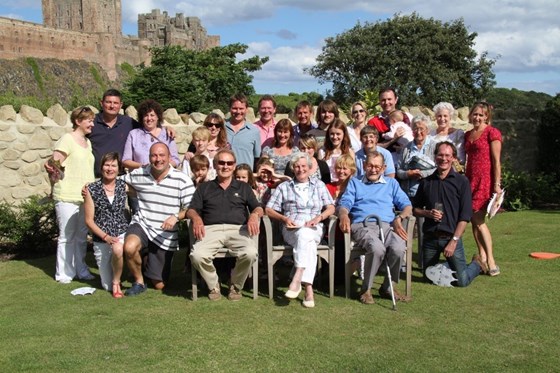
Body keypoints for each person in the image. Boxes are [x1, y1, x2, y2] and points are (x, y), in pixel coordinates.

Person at [187, 149, 263, 301]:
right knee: (197, 255)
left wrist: (254, 215)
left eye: (229, 163)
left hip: (238, 230)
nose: (225, 166)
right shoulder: (204, 187)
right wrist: (196, 218)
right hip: (211, 230)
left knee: (250, 253)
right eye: (221, 163)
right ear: (215, 165)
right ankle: (214, 284)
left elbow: (258, 207)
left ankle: (235, 284)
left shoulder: (244, 187)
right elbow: (191, 210)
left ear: (234, 166)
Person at [338, 151, 412, 304]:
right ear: (364, 166)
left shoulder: (391, 184)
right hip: (363, 225)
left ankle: (387, 287)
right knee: (377, 248)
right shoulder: (355, 182)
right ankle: (366, 289)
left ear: (384, 168)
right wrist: (344, 215)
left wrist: (400, 217)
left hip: (387, 226)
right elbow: (345, 204)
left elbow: (407, 206)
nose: (373, 169)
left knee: (399, 247)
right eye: (370, 166)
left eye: (377, 166)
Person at [122, 143, 195, 296]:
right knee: (129, 247)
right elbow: (116, 182)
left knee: (159, 285)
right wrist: (90, 187)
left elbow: (191, 208)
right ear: (149, 158)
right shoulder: (139, 173)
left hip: (164, 233)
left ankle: (146, 259)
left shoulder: (182, 179)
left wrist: (176, 217)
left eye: (162, 155)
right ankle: (139, 281)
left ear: (169, 158)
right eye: (154, 155)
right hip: (142, 224)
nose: (158, 159)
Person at [266, 152, 335, 308]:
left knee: (306, 235)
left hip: (314, 226)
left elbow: (331, 207)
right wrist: (284, 219)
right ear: (293, 168)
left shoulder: (318, 184)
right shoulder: (284, 186)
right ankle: (308, 290)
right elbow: (269, 209)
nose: (300, 169)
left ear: (310, 168)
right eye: (297, 166)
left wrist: (319, 218)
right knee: (306, 239)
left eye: (304, 166)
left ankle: (297, 277)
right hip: (291, 229)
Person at [412, 141, 485, 286]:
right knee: (428, 278)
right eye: (440, 155)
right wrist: (427, 213)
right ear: (435, 157)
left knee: (462, 281)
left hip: (451, 238)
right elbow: (415, 209)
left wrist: (453, 241)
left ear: (453, 158)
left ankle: (477, 264)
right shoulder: (426, 182)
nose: (443, 159)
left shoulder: (462, 182)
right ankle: (448, 265)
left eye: (447, 155)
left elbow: (465, 216)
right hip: (430, 239)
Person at [51, 106, 96, 284]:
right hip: (67, 196)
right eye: (89, 120)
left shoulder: (88, 142)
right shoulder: (66, 139)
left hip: (85, 197)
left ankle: (81, 269)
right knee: (66, 236)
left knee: (81, 236)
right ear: (78, 121)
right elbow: (54, 166)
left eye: (93, 120)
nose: (92, 124)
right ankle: (64, 273)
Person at [465, 102, 503, 276]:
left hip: (485, 181)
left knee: (479, 220)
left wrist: (497, 184)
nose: (477, 118)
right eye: (475, 114)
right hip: (469, 180)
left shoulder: (492, 133)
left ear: (487, 116)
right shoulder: (468, 134)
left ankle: (491, 260)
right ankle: (482, 257)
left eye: (481, 115)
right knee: (473, 220)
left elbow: (496, 161)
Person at [84, 152, 129, 297]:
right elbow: (89, 221)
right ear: (102, 167)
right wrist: (106, 237)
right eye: (107, 165)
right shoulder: (92, 189)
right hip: (102, 238)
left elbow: (144, 191)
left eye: (114, 165)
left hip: (121, 232)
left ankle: (117, 281)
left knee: (117, 249)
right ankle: (113, 280)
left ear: (119, 168)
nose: (110, 169)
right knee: (106, 285)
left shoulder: (124, 186)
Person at [89, 89, 139, 177]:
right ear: (101, 103)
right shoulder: (92, 122)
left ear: (121, 105)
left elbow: (148, 129)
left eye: (115, 103)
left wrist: (166, 128)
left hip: (119, 177)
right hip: (94, 177)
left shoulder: (128, 123)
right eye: (108, 102)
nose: (112, 106)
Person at [122, 99, 180, 171]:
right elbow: (125, 161)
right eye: (146, 115)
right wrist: (144, 166)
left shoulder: (167, 133)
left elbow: (176, 160)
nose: (149, 118)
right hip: (141, 177)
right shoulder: (134, 134)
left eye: (152, 115)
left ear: (158, 117)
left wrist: (160, 167)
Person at [396, 115, 437, 198]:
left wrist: (421, 173)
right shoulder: (406, 148)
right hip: (409, 193)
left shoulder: (435, 147)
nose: (418, 132)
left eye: (421, 129)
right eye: (415, 129)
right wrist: (407, 174)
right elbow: (399, 171)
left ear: (428, 130)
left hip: (428, 193)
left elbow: (438, 169)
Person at [225, 94, 261, 169]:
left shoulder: (254, 131)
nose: (238, 111)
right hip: (224, 174)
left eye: (241, 108)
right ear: (229, 108)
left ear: (246, 109)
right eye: (234, 108)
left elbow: (257, 158)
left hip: (244, 177)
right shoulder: (221, 128)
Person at [318, 118, 355, 184]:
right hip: (327, 187)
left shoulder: (349, 152)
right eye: (332, 134)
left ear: (344, 134)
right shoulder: (322, 152)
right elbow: (319, 173)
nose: (335, 137)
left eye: (338, 134)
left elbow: (352, 174)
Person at [430, 102, 466, 167]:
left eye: (445, 116)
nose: (442, 119)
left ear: (450, 117)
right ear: (436, 117)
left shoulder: (458, 134)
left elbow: (461, 158)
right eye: (439, 116)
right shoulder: (431, 134)